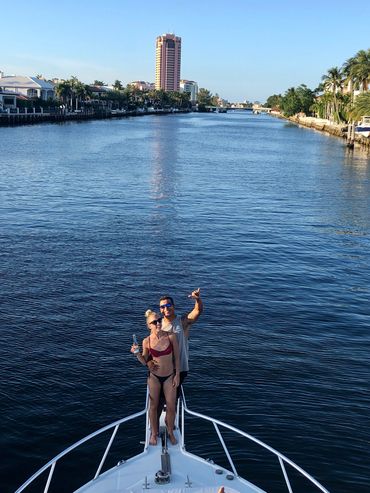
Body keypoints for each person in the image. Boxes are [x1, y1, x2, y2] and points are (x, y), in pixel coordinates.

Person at [131, 310, 180, 446]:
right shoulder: (146, 341)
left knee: (171, 406)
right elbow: (144, 360)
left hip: (170, 377)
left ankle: (170, 431)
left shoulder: (171, 336)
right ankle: (154, 433)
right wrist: (137, 354)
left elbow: (177, 358)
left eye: (159, 320)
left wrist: (177, 375)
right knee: (153, 406)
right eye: (154, 322)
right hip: (154, 378)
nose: (158, 323)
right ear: (149, 325)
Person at [159, 288, 203, 393]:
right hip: (163, 368)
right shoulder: (158, 324)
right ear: (160, 309)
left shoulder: (182, 321)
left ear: (173, 306)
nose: (166, 308)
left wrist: (198, 300)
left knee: (172, 398)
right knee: (160, 397)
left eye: (168, 305)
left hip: (180, 368)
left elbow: (197, 311)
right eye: (162, 306)